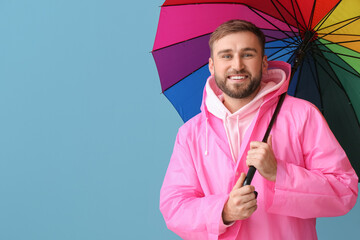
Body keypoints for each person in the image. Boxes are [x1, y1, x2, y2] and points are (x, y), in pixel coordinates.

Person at [160, 20, 358, 240]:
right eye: (226, 55)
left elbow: (344, 191)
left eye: (248, 54)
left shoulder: (303, 115)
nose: (237, 65)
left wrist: (279, 173)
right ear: (212, 65)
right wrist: (223, 211)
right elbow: (174, 207)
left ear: (264, 63)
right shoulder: (191, 134)